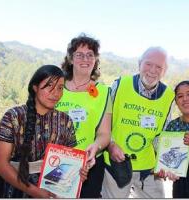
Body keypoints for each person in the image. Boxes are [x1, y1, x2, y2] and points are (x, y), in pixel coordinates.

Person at [0, 65, 89, 198]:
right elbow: (1, 164)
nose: (56, 93)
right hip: (14, 189)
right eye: (49, 86)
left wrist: (79, 172)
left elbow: (68, 163)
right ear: (35, 87)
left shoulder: (66, 121)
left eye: (60, 88)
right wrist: (34, 191)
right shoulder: (14, 116)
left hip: (52, 190)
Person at [102, 47, 175, 198]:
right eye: (148, 64)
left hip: (148, 168)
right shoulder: (120, 84)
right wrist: (110, 145)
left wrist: (166, 163)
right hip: (116, 163)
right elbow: (104, 121)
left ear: (164, 71)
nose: (152, 70)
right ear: (139, 64)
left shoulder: (169, 96)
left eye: (159, 67)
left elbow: (163, 133)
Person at [55, 34, 111, 198]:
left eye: (90, 55)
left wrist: (96, 147)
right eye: (79, 54)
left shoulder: (104, 92)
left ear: (95, 60)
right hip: (55, 160)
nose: (85, 59)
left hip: (89, 163)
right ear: (71, 59)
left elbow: (104, 134)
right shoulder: (56, 85)